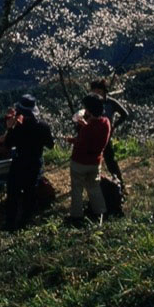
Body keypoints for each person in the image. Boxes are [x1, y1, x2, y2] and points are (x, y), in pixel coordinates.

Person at [3, 94, 54, 229]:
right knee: (29, 193)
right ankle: (25, 222)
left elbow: (7, 144)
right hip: (35, 162)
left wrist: (9, 128)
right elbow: (51, 145)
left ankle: (10, 223)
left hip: (19, 162)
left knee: (13, 193)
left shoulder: (17, 127)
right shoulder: (43, 126)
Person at [64, 94, 111, 225]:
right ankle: (100, 213)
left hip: (80, 162)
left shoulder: (87, 129)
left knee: (77, 189)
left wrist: (70, 140)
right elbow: (93, 136)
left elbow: (81, 142)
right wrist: (85, 125)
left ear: (89, 111)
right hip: (95, 162)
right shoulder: (106, 123)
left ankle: (76, 216)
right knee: (94, 187)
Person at [89, 79, 129, 191]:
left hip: (106, 137)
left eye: (99, 91)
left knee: (110, 160)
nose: (96, 94)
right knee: (93, 162)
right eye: (94, 92)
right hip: (93, 137)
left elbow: (125, 114)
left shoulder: (111, 103)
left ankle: (120, 184)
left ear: (104, 91)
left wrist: (114, 126)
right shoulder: (92, 103)